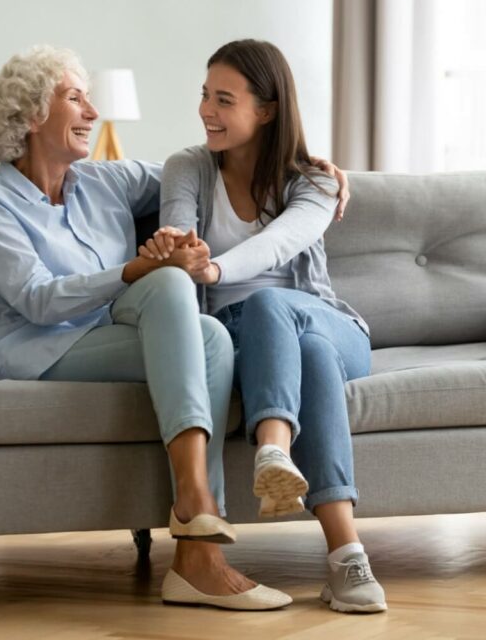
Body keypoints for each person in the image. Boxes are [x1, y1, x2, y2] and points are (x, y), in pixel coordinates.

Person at [0, 45, 344, 611]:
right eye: (75, 99)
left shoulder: (106, 182)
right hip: (28, 348)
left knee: (204, 328)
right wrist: (134, 269)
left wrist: (315, 175)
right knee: (160, 282)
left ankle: (195, 543)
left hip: (104, 332)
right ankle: (197, 516)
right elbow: (36, 301)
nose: (92, 112)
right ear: (33, 115)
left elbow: (221, 169)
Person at [143, 39, 387, 613]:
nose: (207, 110)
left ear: (268, 110)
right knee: (309, 357)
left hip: (329, 322)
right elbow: (180, 235)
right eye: (205, 95)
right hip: (246, 338)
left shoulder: (317, 182)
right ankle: (347, 558)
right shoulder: (187, 167)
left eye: (224, 100)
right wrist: (181, 250)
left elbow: (281, 245)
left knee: (277, 309)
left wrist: (217, 265)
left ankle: (273, 448)